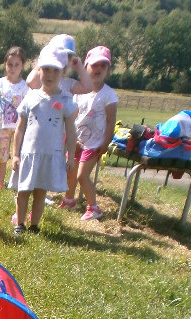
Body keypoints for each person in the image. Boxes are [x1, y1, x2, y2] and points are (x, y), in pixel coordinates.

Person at [9, 47, 77, 235]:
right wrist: (15, 154)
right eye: (46, 69)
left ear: (63, 72)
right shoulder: (31, 97)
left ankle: (34, 225)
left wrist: (71, 156)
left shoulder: (66, 100)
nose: (50, 74)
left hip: (50, 155)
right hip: (29, 154)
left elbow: (71, 131)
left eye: (55, 70)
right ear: (39, 70)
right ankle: (20, 224)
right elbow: (20, 127)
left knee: (40, 192)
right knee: (23, 190)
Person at [62, 46, 118, 221]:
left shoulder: (109, 95)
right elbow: (73, 115)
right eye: (94, 65)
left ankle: (93, 207)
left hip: (94, 143)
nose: (98, 69)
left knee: (82, 175)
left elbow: (111, 121)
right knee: (70, 170)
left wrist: (105, 143)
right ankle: (69, 200)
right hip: (77, 140)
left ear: (108, 69)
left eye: (103, 65)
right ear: (86, 67)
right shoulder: (80, 91)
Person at [0, 47, 29, 190]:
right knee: (3, 156)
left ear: (22, 65)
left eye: (17, 65)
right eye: (10, 64)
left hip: (18, 128)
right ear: (5, 64)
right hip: (2, 127)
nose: (13, 68)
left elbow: (26, 110)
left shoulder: (25, 87)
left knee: (19, 154)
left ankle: (16, 182)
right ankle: (0, 182)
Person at [26, 34, 92, 96]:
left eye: (68, 56)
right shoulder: (43, 78)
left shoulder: (68, 83)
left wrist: (80, 68)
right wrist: (43, 61)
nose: (64, 58)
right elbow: (31, 82)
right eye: (57, 54)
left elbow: (88, 87)